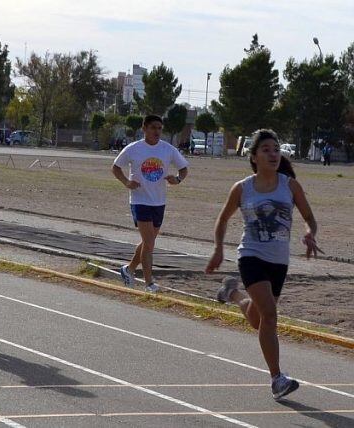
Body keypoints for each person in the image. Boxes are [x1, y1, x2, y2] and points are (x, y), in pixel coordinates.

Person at [205, 129, 322, 400]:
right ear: (254, 156)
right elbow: (222, 220)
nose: (273, 153)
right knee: (269, 315)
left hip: (279, 262)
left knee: (259, 320)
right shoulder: (242, 187)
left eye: (276, 149)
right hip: (251, 256)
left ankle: (232, 293)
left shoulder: (289, 185)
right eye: (266, 149)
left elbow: (309, 217)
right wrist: (218, 249)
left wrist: (309, 233)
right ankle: (277, 379)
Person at [112, 114, 189, 292]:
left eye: (160, 128)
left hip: (159, 201)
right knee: (149, 243)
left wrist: (177, 179)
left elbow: (184, 168)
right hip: (140, 200)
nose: (157, 131)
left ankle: (129, 269)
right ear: (144, 128)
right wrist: (126, 182)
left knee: (149, 241)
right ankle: (149, 283)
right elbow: (116, 167)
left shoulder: (168, 149)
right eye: (153, 127)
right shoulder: (133, 149)